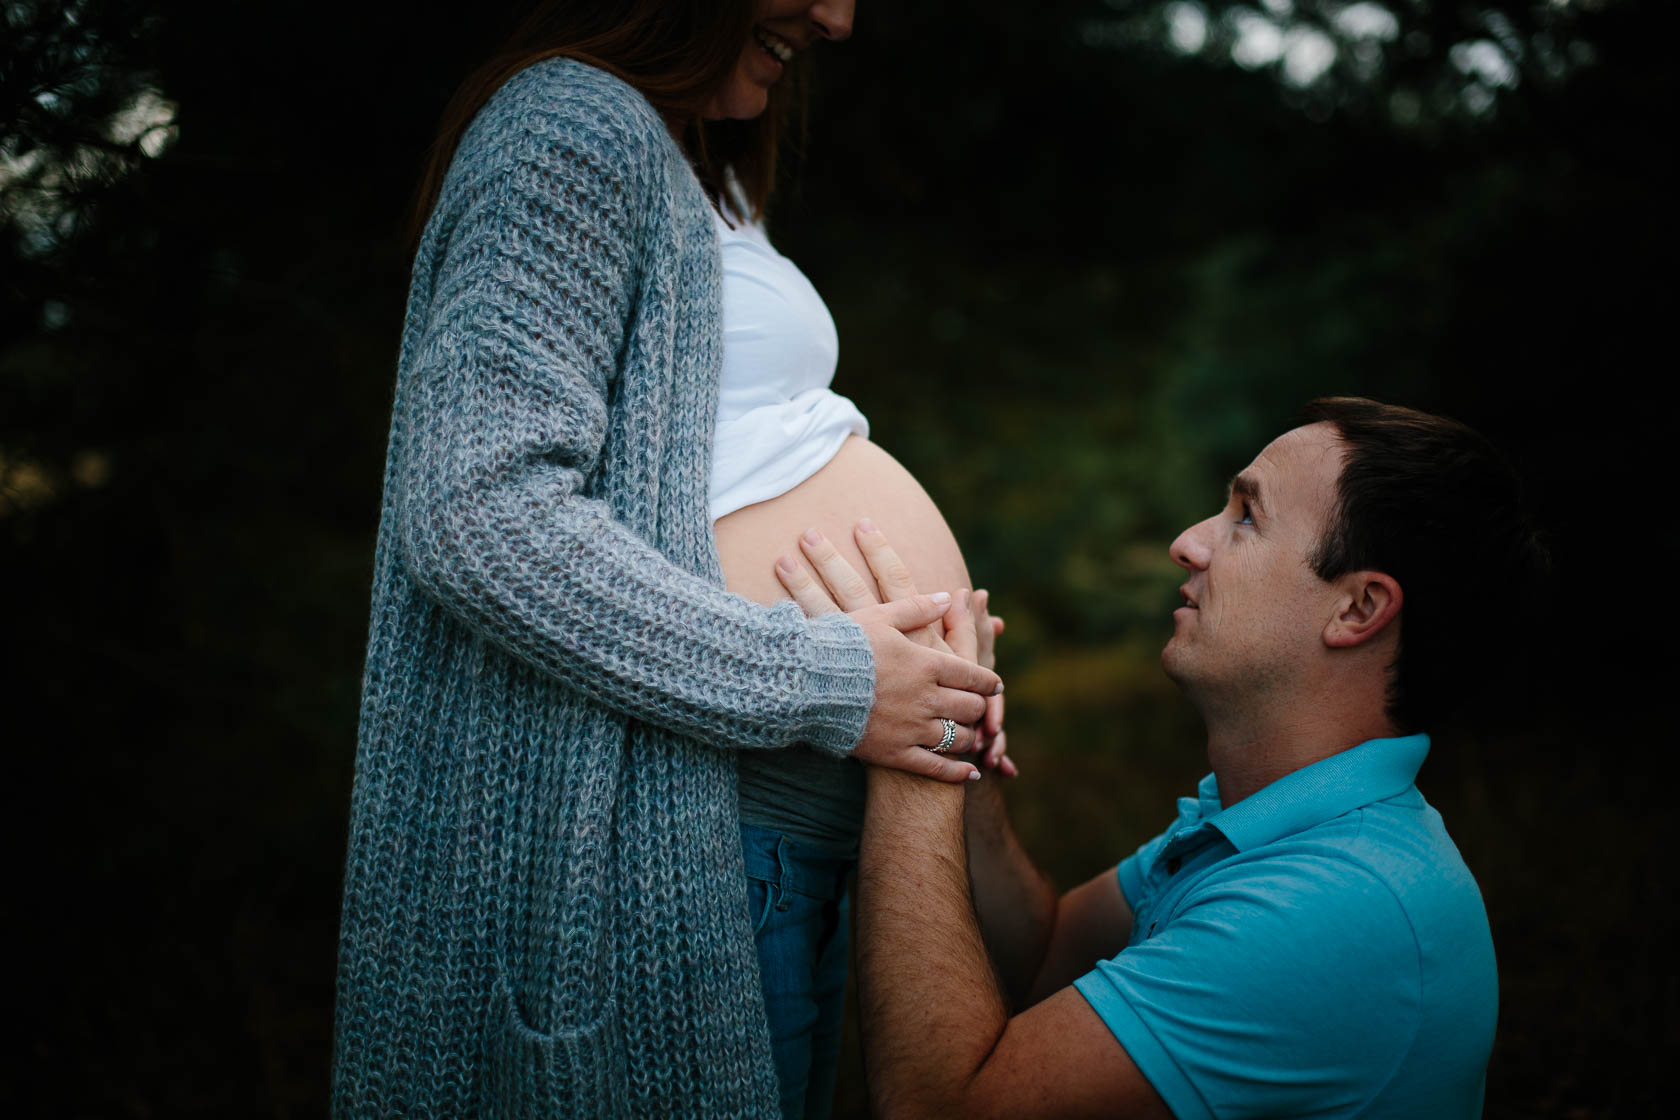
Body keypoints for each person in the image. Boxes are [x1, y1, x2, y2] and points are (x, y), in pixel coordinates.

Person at [330, 3, 1002, 1116]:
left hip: (780, 843)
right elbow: (477, 512)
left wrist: (931, 686)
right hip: (684, 849)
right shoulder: (568, 127)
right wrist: (837, 681)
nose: (839, 18)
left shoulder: (702, 167)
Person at [775, 397, 1547, 1119]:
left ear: (1357, 609)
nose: (1189, 541)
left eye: (1246, 517)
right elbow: (1047, 956)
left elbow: (937, 1105)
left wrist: (911, 731)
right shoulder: (1280, 826)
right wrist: (960, 747)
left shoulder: (1338, 909)